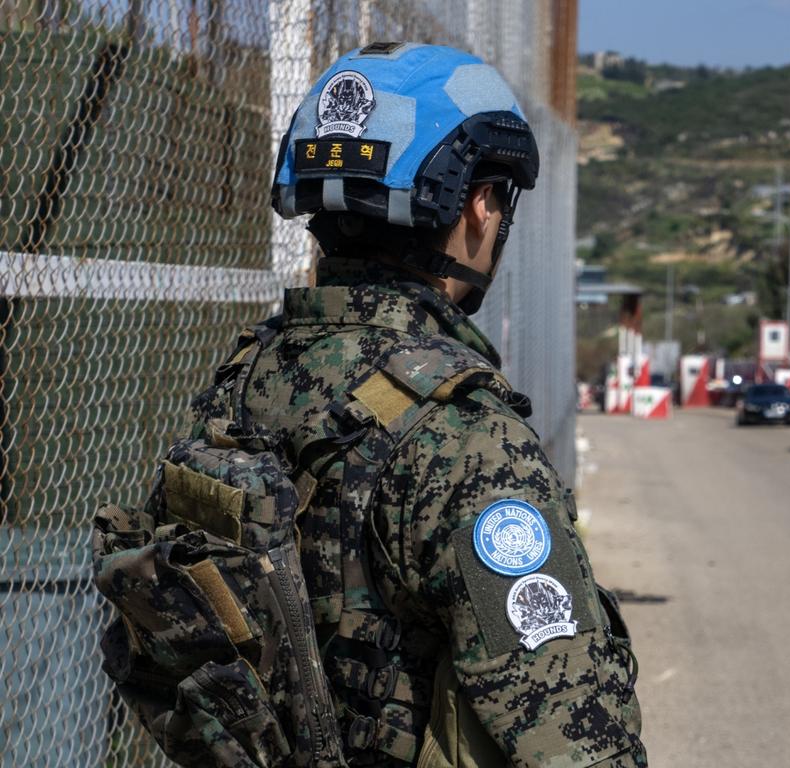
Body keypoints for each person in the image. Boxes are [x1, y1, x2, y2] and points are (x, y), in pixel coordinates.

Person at [191, 42, 646, 767]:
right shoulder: (467, 438)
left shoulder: (246, 380)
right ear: (477, 203)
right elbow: (573, 737)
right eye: (500, 195)